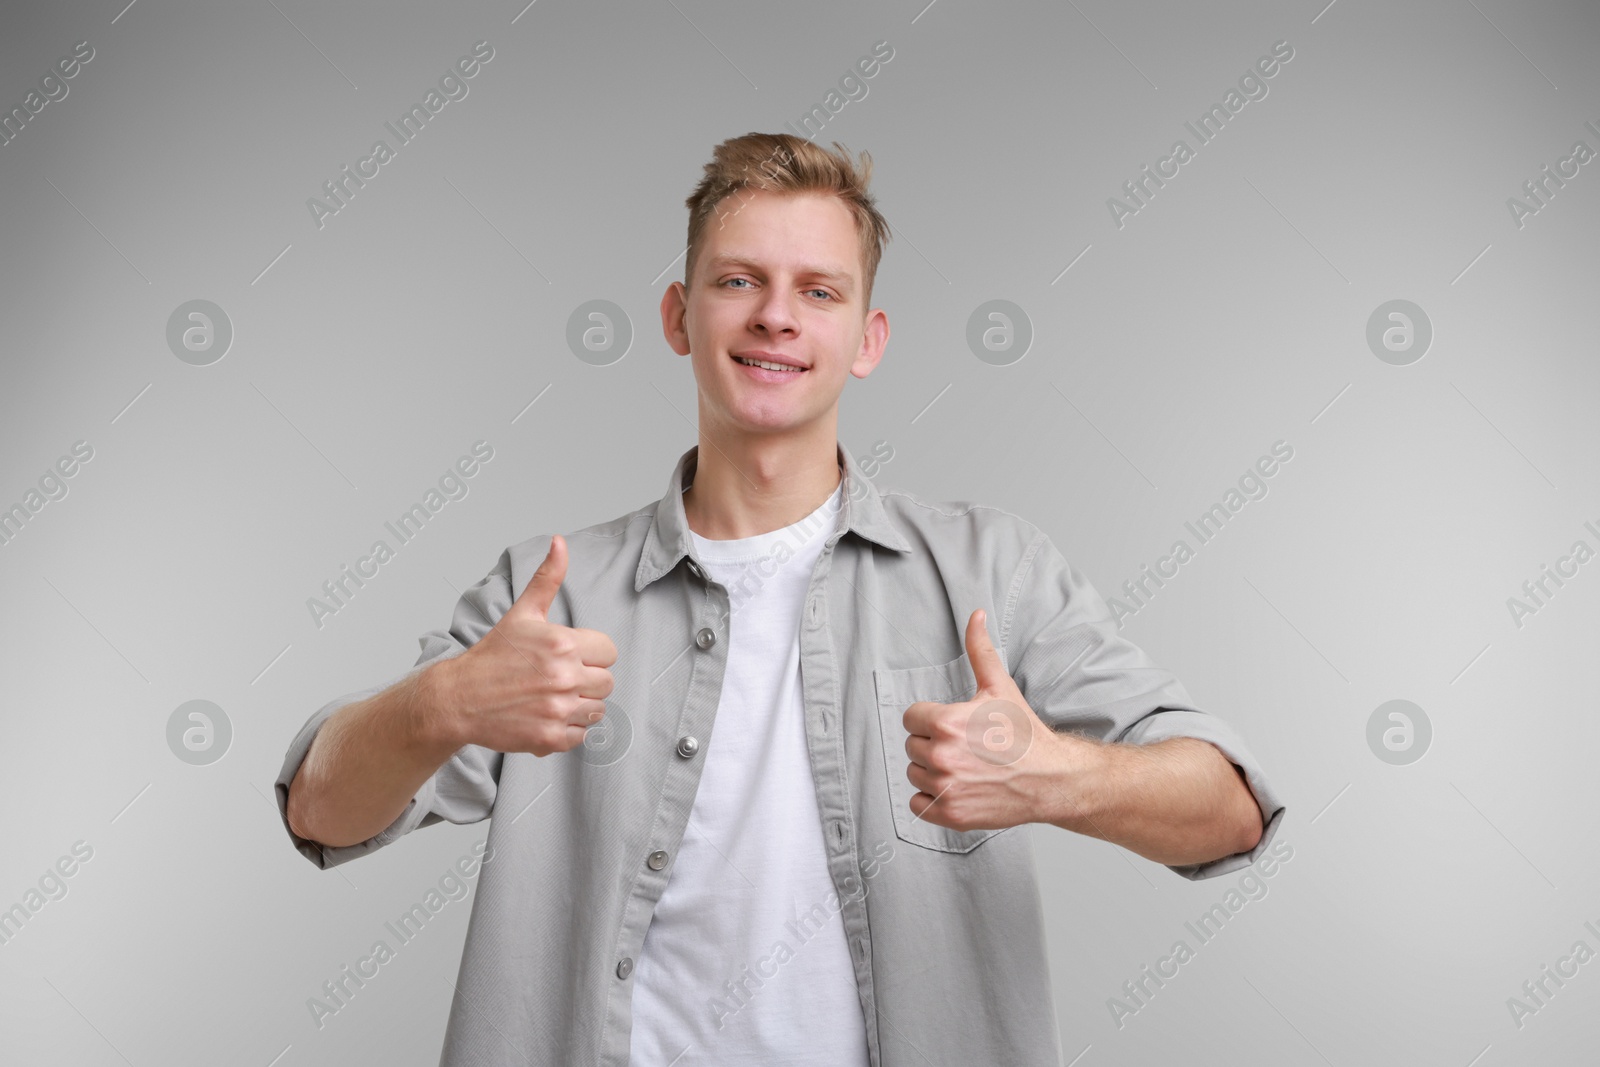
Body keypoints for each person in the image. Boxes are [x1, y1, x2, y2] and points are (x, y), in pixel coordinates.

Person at [276, 131, 1285, 1067]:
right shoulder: (550, 594)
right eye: (738, 281)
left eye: (818, 290)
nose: (775, 315)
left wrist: (1055, 773)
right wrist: (439, 703)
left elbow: (1230, 809)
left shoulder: (993, 569)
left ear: (867, 336)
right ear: (678, 315)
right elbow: (322, 811)